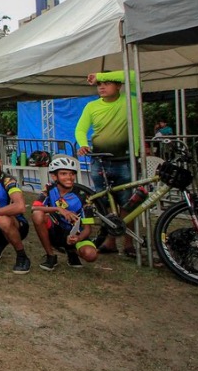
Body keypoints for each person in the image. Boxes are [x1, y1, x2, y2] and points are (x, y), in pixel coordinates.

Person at [75, 70, 140, 257]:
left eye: (106, 83)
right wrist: (83, 145)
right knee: (106, 205)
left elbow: (134, 76)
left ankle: (129, 243)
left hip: (125, 161)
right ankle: (110, 242)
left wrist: (99, 75)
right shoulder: (91, 106)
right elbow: (80, 130)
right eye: (98, 84)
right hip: (100, 161)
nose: (101, 86)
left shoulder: (130, 100)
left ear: (119, 85)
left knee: (128, 204)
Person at [32, 156, 98, 270]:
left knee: (91, 255)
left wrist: (78, 238)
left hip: (75, 233)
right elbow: (34, 208)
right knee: (37, 215)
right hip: (56, 230)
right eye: (63, 173)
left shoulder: (83, 195)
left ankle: (72, 251)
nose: (69, 177)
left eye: (72, 174)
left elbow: (88, 229)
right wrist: (58, 209)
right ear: (54, 176)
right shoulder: (49, 188)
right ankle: (51, 256)